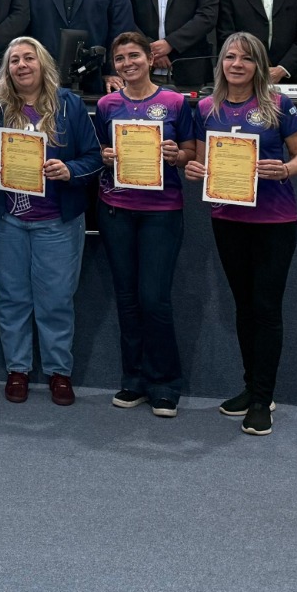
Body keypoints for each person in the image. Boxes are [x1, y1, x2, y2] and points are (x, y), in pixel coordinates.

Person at [184, 33, 297, 437]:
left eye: (246, 58)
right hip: (228, 218)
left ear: (259, 65)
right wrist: (193, 171)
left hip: (275, 221)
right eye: (230, 57)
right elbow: (201, 163)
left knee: (266, 307)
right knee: (243, 306)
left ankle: (262, 400)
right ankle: (251, 386)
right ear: (220, 63)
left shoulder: (278, 104)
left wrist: (286, 169)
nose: (236, 64)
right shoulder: (206, 108)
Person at [0, 37, 103, 407]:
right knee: (11, 298)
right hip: (8, 220)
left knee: (56, 300)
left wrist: (69, 169)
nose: (21, 65)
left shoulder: (69, 104)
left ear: (43, 63)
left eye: (28, 58)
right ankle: (17, 369)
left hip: (56, 222)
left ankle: (58, 372)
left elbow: (94, 157)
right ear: (7, 69)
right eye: (14, 59)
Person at [92, 31, 197, 417]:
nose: (127, 63)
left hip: (161, 212)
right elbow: (98, 150)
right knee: (126, 297)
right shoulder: (106, 105)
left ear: (150, 59)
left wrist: (176, 155)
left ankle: (165, 383)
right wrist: (104, 156)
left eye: (134, 55)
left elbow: (191, 152)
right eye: (120, 58)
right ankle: (133, 379)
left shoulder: (175, 102)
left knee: (154, 298)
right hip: (115, 209)